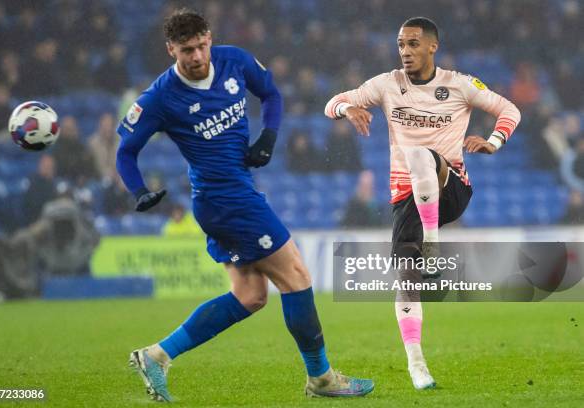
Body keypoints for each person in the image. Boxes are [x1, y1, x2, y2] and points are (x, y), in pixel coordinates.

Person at [116, 9, 373, 402]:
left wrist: (268, 137)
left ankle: (157, 355)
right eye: (188, 50)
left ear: (210, 38)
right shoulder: (160, 97)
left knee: (250, 296)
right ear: (171, 50)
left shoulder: (233, 60)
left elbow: (270, 92)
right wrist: (138, 192)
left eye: (202, 45)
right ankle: (321, 378)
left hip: (230, 195)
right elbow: (126, 152)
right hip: (225, 199)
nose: (199, 56)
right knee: (297, 275)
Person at [325, 17, 521, 390]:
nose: (405, 51)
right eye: (401, 44)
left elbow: (510, 110)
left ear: (432, 46)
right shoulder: (386, 84)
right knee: (407, 279)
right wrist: (346, 109)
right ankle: (417, 363)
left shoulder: (460, 84)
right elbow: (333, 101)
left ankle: (433, 242)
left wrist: (494, 142)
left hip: (451, 188)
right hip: (406, 198)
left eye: (413, 44)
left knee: (419, 156)